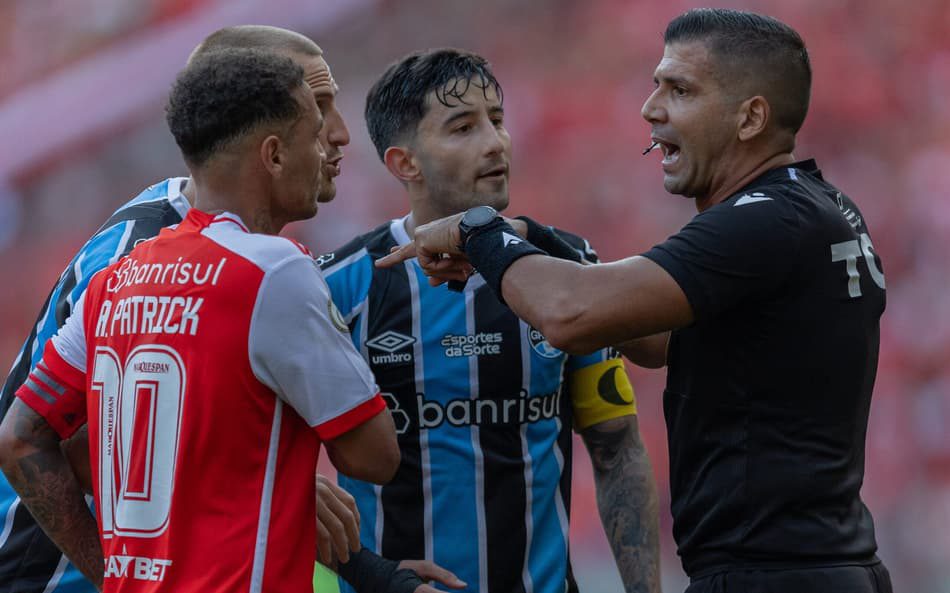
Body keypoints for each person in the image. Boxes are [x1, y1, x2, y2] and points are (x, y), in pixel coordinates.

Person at [378, 9, 892, 593]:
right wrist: (537, 243)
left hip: (775, 574)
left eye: (679, 89)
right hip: (818, 564)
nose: (651, 108)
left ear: (750, 117)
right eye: (655, 85)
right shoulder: (812, 206)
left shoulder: (767, 220)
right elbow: (657, 340)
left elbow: (572, 315)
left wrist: (480, 231)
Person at [0, 26, 462, 593]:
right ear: (263, 133)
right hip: (50, 570)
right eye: (317, 112)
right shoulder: (155, 254)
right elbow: (79, 443)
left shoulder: (175, 251)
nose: (338, 135)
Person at [319, 48, 660, 593]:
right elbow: (276, 473)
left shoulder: (569, 271)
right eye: (462, 127)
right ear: (404, 163)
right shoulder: (339, 289)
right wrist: (374, 575)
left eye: (497, 120)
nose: (495, 142)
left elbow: (615, 446)